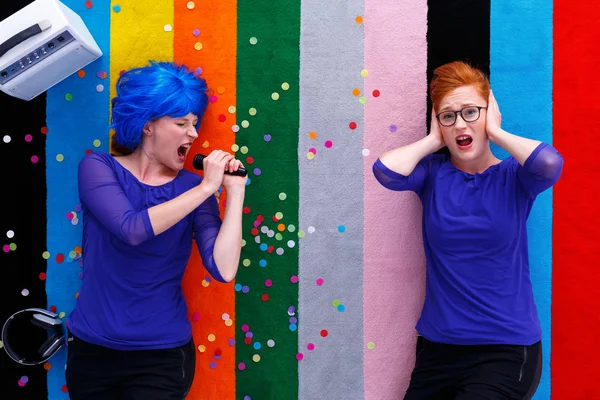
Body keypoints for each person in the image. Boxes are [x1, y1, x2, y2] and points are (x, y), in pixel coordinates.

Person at [373, 61, 563, 399]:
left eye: (471, 112)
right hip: (439, 348)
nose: (460, 123)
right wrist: (432, 141)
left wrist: (498, 132)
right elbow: (385, 171)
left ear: (489, 113)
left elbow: (549, 164)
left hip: (504, 350)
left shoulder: (514, 177)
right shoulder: (432, 175)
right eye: (449, 116)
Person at [65, 61, 247, 399]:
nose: (193, 134)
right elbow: (130, 228)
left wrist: (234, 194)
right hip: (91, 351)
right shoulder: (97, 167)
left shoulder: (194, 190)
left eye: (195, 123)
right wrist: (205, 189)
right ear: (148, 125)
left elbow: (223, 269)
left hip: (162, 357)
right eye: (181, 123)